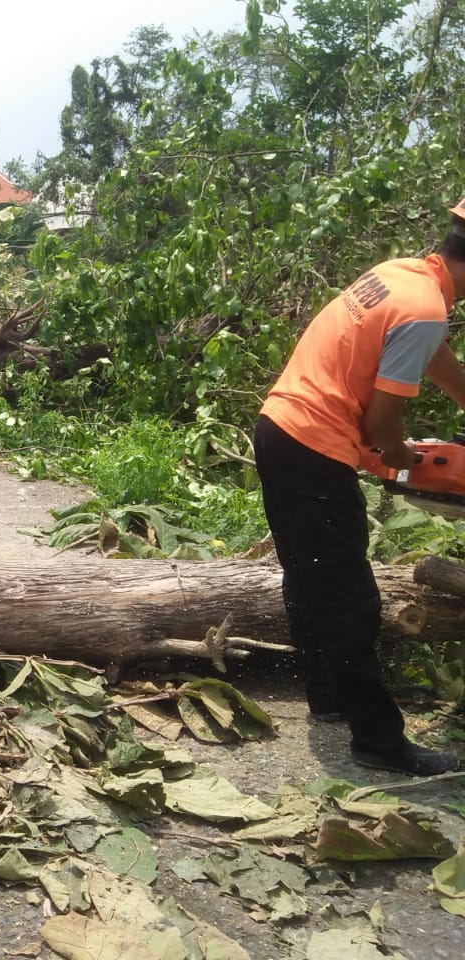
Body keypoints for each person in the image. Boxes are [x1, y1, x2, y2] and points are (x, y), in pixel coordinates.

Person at [255, 199, 465, 777]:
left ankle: (328, 698)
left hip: (278, 426)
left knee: (307, 573)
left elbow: (433, 353)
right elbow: (379, 425)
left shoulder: (402, 276)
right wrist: (399, 457)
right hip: (314, 445)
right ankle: (378, 741)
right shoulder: (425, 308)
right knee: (350, 598)